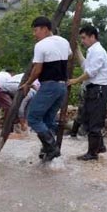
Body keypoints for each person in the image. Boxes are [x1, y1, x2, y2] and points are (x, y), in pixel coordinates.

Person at [20, 16, 71, 162]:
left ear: (44, 28)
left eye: (35, 30)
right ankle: (48, 154)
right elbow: (70, 55)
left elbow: (37, 70)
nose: (34, 34)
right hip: (62, 86)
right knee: (48, 119)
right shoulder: (64, 41)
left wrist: (28, 83)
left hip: (49, 85)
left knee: (33, 117)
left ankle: (52, 147)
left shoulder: (41, 45)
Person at [68, 25, 107, 160]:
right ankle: (99, 147)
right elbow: (85, 66)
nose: (83, 40)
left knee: (94, 122)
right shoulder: (92, 51)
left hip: (98, 89)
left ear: (92, 37)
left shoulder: (97, 51)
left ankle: (92, 153)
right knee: (88, 119)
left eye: (84, 38)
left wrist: (75, 80)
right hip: (94, 89)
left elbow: (90, 73)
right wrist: (78, 51)